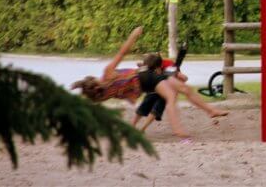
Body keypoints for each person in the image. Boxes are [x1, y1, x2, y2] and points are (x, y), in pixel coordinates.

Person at [72, 27, 227, 140]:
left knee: (183, 88)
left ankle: (210, 110)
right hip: (145, 76)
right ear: (93, 80)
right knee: (172, 96)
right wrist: (133, 35)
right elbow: (122, 52)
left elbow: (122, 92)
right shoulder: (106, 74)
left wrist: (129, 97)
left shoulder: (102, 95)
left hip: (146, 80)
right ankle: (179, 129)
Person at [131, 54, 188, 132]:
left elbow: (184, 78)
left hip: (160, 91)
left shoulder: (166, 68)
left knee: (151, 108)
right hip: (158, 90)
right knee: (149, 108)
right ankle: (137, 127)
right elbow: (184, 78)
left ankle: (139, 127)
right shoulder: (156, 68)